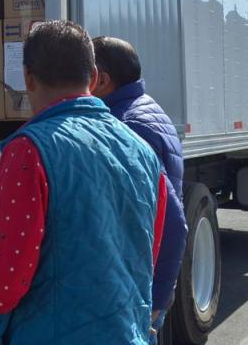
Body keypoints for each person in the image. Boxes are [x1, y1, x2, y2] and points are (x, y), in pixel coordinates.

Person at [0, 21, 167, 345]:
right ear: (94, 78)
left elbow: (0, 289)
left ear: (28, 78)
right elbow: (143, 260)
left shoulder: (29, 152)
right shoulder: (143, 153)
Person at [92, 36, 188, 344]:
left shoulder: (127, 125)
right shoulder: (145, 109)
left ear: (101, 80)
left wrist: (157, 298)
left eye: (83, 75)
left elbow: (173, 222)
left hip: (137, 290)